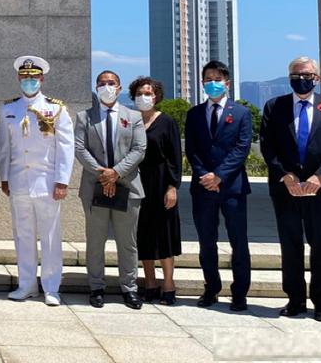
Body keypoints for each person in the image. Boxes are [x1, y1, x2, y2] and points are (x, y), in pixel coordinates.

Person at [258, 56, 321, 322]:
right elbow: (267, 145)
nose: (302, 79)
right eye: (296, 75)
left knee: (320, 245)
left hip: (320, 190)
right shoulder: (275, 106)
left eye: (307, 75)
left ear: (316, 78)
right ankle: (295, 300)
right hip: (286, 189)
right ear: (289, 78)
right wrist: (285, 176)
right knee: (290, 245)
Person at [0, 55, 74, 306]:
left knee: (50, 237)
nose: (28, 81)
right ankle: (27, 285)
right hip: (19, 181)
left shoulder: (56, 109)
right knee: (23, 235)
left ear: (41, 79)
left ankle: (51, 287)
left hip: (47, 183)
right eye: (24, 77)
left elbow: (66, 147)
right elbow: (5, 148)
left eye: (33, 77)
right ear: (18, 78)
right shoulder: (8, 110)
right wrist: (5, 178)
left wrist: (62, 181)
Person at [75, 70, 146, 309]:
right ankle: (96, 286)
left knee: (127, 242)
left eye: (111, 83)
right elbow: (80, 149)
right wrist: (103, 174)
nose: (107, 86)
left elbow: (139, 149)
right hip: (95, 187)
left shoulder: (133, 116)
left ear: (119, 87)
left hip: (127, 186)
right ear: (96, 88)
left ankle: (130, 288)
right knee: (96, 241)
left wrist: (115, 173)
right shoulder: (84, 117)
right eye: (102, 83)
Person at [186, 59, 253, 311]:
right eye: (208, 79)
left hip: (232, 187)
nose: (212, 83)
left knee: (238, 241)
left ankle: (240, 293)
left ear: (227, 83)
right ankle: (211, 288)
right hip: (203, 187)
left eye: (217, 79)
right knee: (206, 241)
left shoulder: (242, 113)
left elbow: (241, 148)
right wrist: (205, 175)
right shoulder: (194, 114)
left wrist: (220, 175)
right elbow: (191, 149)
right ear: (202, 83)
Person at [129, 76, 182, 305]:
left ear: (156, 96)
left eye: (148, 93)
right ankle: (150, 281)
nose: (144, 97)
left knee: (164, 234)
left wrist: (172, 187)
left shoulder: (167, 121)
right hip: (138, 182)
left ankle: (168, 283)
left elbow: (175, 156)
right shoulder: (131, 120)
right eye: (139, 93)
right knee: (143, 234)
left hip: (161, 182)